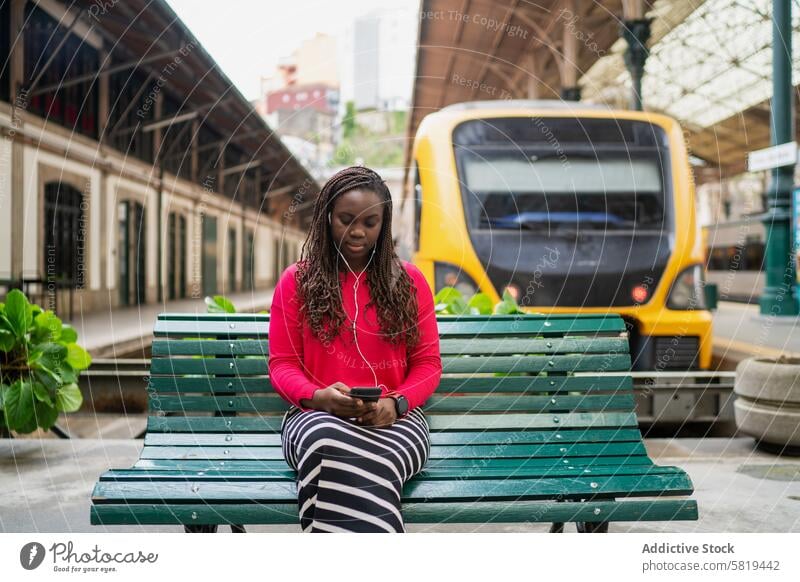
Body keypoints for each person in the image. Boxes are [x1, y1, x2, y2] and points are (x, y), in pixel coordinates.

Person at [268, 165, 442, 533]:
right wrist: (319, 398)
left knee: (349, 460)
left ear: (385, 222)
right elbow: (282, 364)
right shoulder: (296, 281)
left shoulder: (410, 282)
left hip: (399, 420)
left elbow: (427, 365)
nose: (358, 232)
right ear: (327, 216)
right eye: (346, 219)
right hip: (313, 417)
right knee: (325, 440)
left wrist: (396, 404)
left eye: (370, 221)